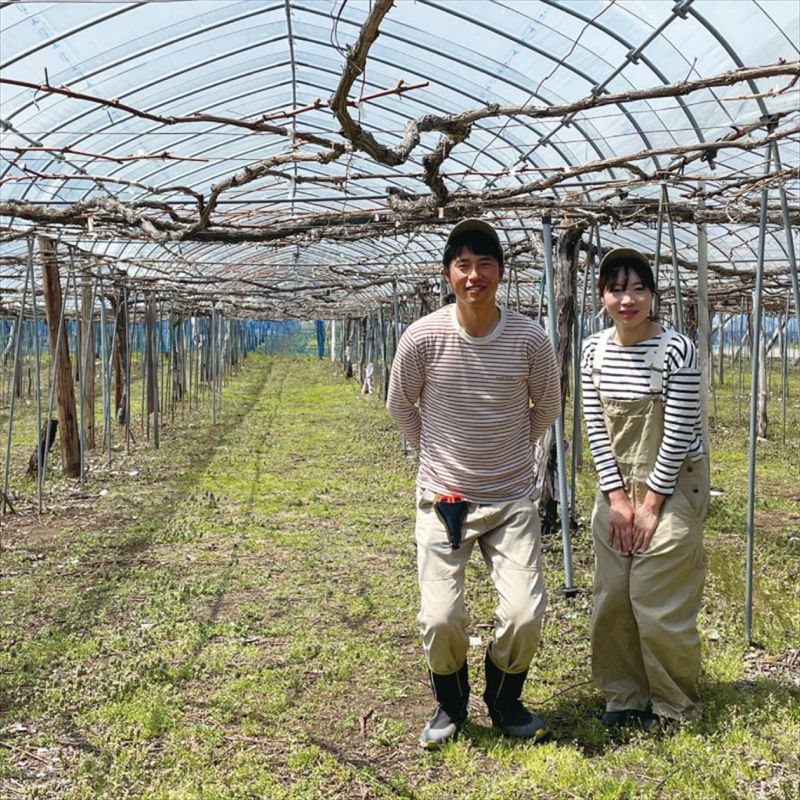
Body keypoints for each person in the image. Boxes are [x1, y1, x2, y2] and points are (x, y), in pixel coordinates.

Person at [386, 219, 561, 749]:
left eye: (485, 263)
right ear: (448, 274)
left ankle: (505, 698)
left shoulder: (530, 337)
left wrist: (507, 455)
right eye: (463, 264)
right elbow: (401, 405)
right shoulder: (422, 336)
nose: (474, 274)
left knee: (524, 613)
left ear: (501, 273)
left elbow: (547, 408)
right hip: (445, 500)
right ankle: (451, 703)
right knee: (441, 617)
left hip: (510, 498)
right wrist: (436, 455)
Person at [580, 247, 708, 731]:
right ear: (602, 297)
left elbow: (676, 432)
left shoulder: (676, 349)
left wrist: (650, 506)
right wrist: (616, 499)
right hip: (616, 485)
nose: (627, 299)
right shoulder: (593, 350)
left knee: (657, 596)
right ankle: (624, 698)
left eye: (638, 288)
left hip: (671, 482)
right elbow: (595, 425)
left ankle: (674, 705)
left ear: (653, 295)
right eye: (616, 289)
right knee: (613, 595)